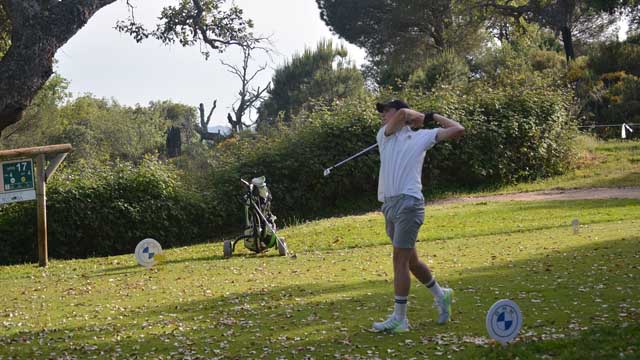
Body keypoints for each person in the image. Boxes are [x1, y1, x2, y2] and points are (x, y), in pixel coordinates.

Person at [372, 99, 465, 332]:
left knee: (399, 260)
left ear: (399, 114)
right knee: (411, 262)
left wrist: (431, 117)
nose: (383, 115)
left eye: (386, 111)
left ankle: (400, 319)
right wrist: (417, 116)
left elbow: (458, 129)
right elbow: (403, 113)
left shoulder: (421, 136)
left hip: (410, 203)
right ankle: (441, 294)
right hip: (390, 206)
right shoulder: (384, 135)